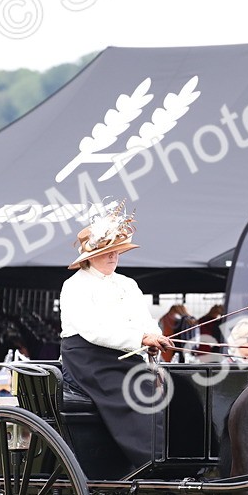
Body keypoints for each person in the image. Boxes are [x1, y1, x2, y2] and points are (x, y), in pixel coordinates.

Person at [58, 201, 174, 476]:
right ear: (90, 257)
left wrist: (155, 335)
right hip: (88, 358)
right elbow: (92, 330)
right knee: (134, 392)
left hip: (127, 354)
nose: (113, 258)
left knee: (175, 387)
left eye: (116, 253)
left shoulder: (127, 283)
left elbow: (144, 318)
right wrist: (141, 338)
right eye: (107, 253)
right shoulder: (75, 286)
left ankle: (172, 459)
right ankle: (150, 463)